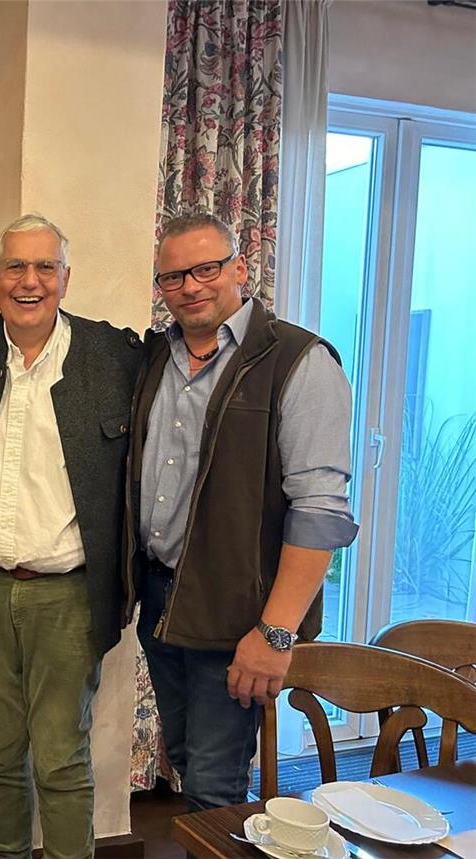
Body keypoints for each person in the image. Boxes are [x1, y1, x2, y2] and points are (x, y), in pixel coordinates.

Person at [127, 211, 358, 811]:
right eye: (173, 276)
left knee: (214, 783)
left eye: (206, 268)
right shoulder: (157, 358)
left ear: (240, 268)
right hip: (161, 597)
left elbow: (320, 510)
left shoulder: (300, 362)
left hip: (239, 613)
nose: (191, 286)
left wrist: (275, 632)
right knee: (184, 757)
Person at [0, 214, 142, 859]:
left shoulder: (114, 356)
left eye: (44, 268)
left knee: (60, 758)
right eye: (15, 268)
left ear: (65, 277)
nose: (29, 282)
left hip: (67, 597)